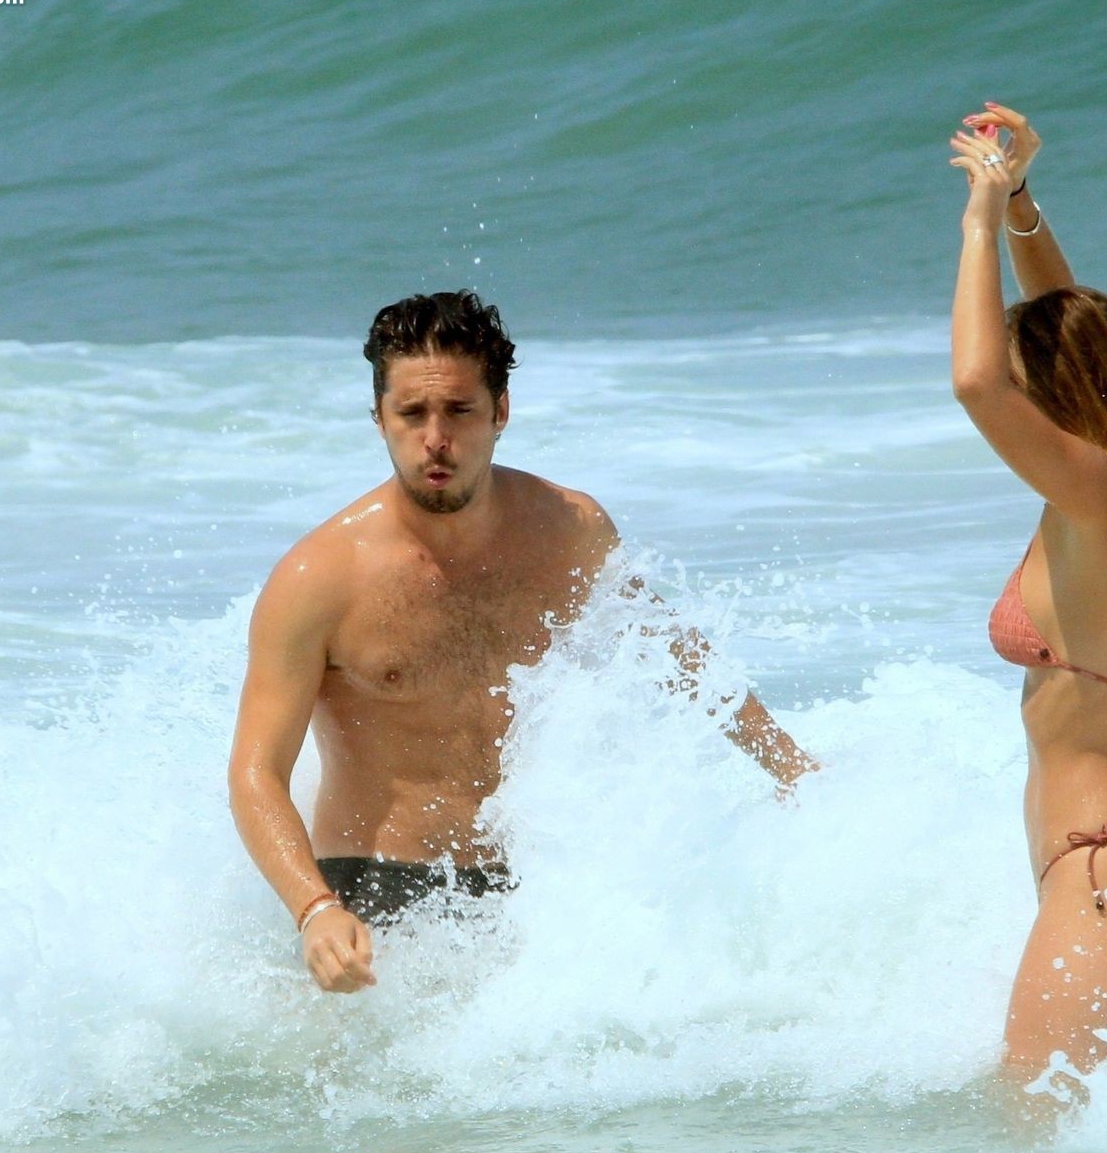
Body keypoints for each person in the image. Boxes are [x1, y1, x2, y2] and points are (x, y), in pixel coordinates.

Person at [228, 290, 815, 993]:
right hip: (377, 897)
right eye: (411, 414)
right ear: (379, 417)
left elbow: (668, 650)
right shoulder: (318, 579)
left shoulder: (567, 530)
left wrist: (793, 770)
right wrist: (315, 909)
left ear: (500, 411)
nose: (435, 438)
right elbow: (256, 774)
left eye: (459, 411)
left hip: (540, 892)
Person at [946, 105, 1107, 1083]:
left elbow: (978, 384)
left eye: (1034, 391)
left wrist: (977, 220)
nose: (1021, 408)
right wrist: (1021, 200)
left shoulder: (1102, 497)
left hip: (1103, 875)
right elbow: (1072, 325)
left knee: (1039, 1147)